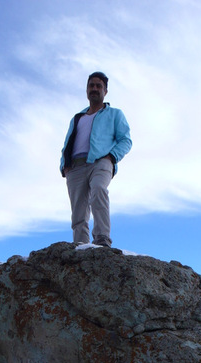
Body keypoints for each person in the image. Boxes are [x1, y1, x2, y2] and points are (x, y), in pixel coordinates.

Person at [60, 71, 132, 247]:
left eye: (99, 86)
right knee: (78, 210)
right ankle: (80, 245)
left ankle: (102, 239)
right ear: (86, 90)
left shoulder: (115, 114)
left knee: (99, 190)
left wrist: (111, 157)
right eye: (91, 85)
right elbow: (67, 142)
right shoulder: (77, 118)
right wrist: (64, 165)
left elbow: (126, 140)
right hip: (75, 166)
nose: (94, 88)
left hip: (101, 161)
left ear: (105, 91)